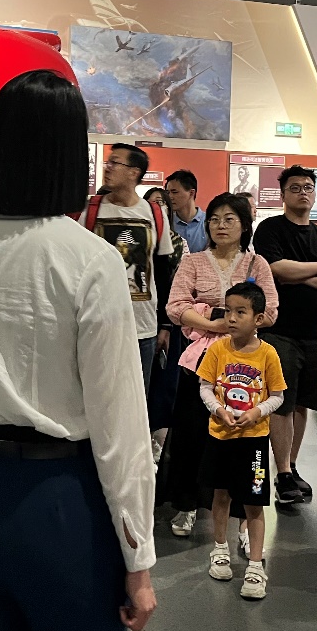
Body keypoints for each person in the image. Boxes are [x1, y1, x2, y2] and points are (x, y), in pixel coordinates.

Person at [0, 70, 156, 631]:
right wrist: (138, 558)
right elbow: (119, 424)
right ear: (68, 155)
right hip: (63, 502)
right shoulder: (90, 259)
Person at [163, 193, 277, 538]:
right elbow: (175, 306)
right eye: (214, 219)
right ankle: (186, 505)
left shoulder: (257, 264)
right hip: (201, 360)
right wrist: (216, 323)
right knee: (191, 434)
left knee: (244, 438)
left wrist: (217, 316)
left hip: (246, 364)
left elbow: (270, 311)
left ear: (244, 225)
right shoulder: (193, 261)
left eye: (229, 219)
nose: (220, 225)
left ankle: (244, 515)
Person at [252, 165, 317, 505]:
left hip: (315, 333)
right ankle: (283, 473)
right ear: (283, 194)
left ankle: (290, 467)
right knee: (281, 404)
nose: (303, 192)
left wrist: (296, 274)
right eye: (295, 187)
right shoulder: (270, 228)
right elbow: (273, 269)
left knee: (303, 403)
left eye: (308, 187)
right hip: (280, 331)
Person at [198, 281, 285, 601]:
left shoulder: (268, 354)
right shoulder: (217, 349)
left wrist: (256, 412)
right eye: (228, 311)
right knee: (220, 495)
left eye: (240, 312)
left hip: (254, 442)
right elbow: (205, 387)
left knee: (254, 503)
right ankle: (219, 549)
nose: (231, 318)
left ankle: (256, 565)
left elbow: (278, 396)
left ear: (258, 318)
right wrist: (218, 410)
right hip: (220, 437)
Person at [83, 144, 173, 394]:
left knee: (136, 397)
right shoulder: (91, 210)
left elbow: (162, 271)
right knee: (95, 395)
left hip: (142, 326)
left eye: (115, 162)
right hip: (98, 321)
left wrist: (165, 325)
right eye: (108, 162)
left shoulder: (154, 213)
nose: (108, 168)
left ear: (134, 172)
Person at [143, 185, 188, 463]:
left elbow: (175, 286)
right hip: (138, 319)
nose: (157, 207)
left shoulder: (178, 243)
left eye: (162, 202)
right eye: (151, 203)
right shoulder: (138, 238)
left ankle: (158, 444)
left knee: (163, 386)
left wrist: (166, 326)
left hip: (167, 321)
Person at [165, 170, 208, 255]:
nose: (170, 197)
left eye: (174, 192)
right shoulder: (166, 222)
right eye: (168, 193)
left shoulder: (208, 222)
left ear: (191, 193)